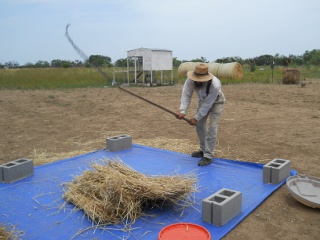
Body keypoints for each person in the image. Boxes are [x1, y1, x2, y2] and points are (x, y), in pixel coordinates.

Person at [177, 63, 225, 166]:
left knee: (212, 127)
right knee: (199, 126)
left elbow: (208, 104)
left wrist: (196, 118)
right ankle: (203, 150)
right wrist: (183, 111)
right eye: (196, 79)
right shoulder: (190, 80)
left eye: (201, 79)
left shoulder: (215, 84)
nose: (198, 81)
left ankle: (208, 156)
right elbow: (186, 95)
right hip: (203, 101)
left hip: (216, 102)